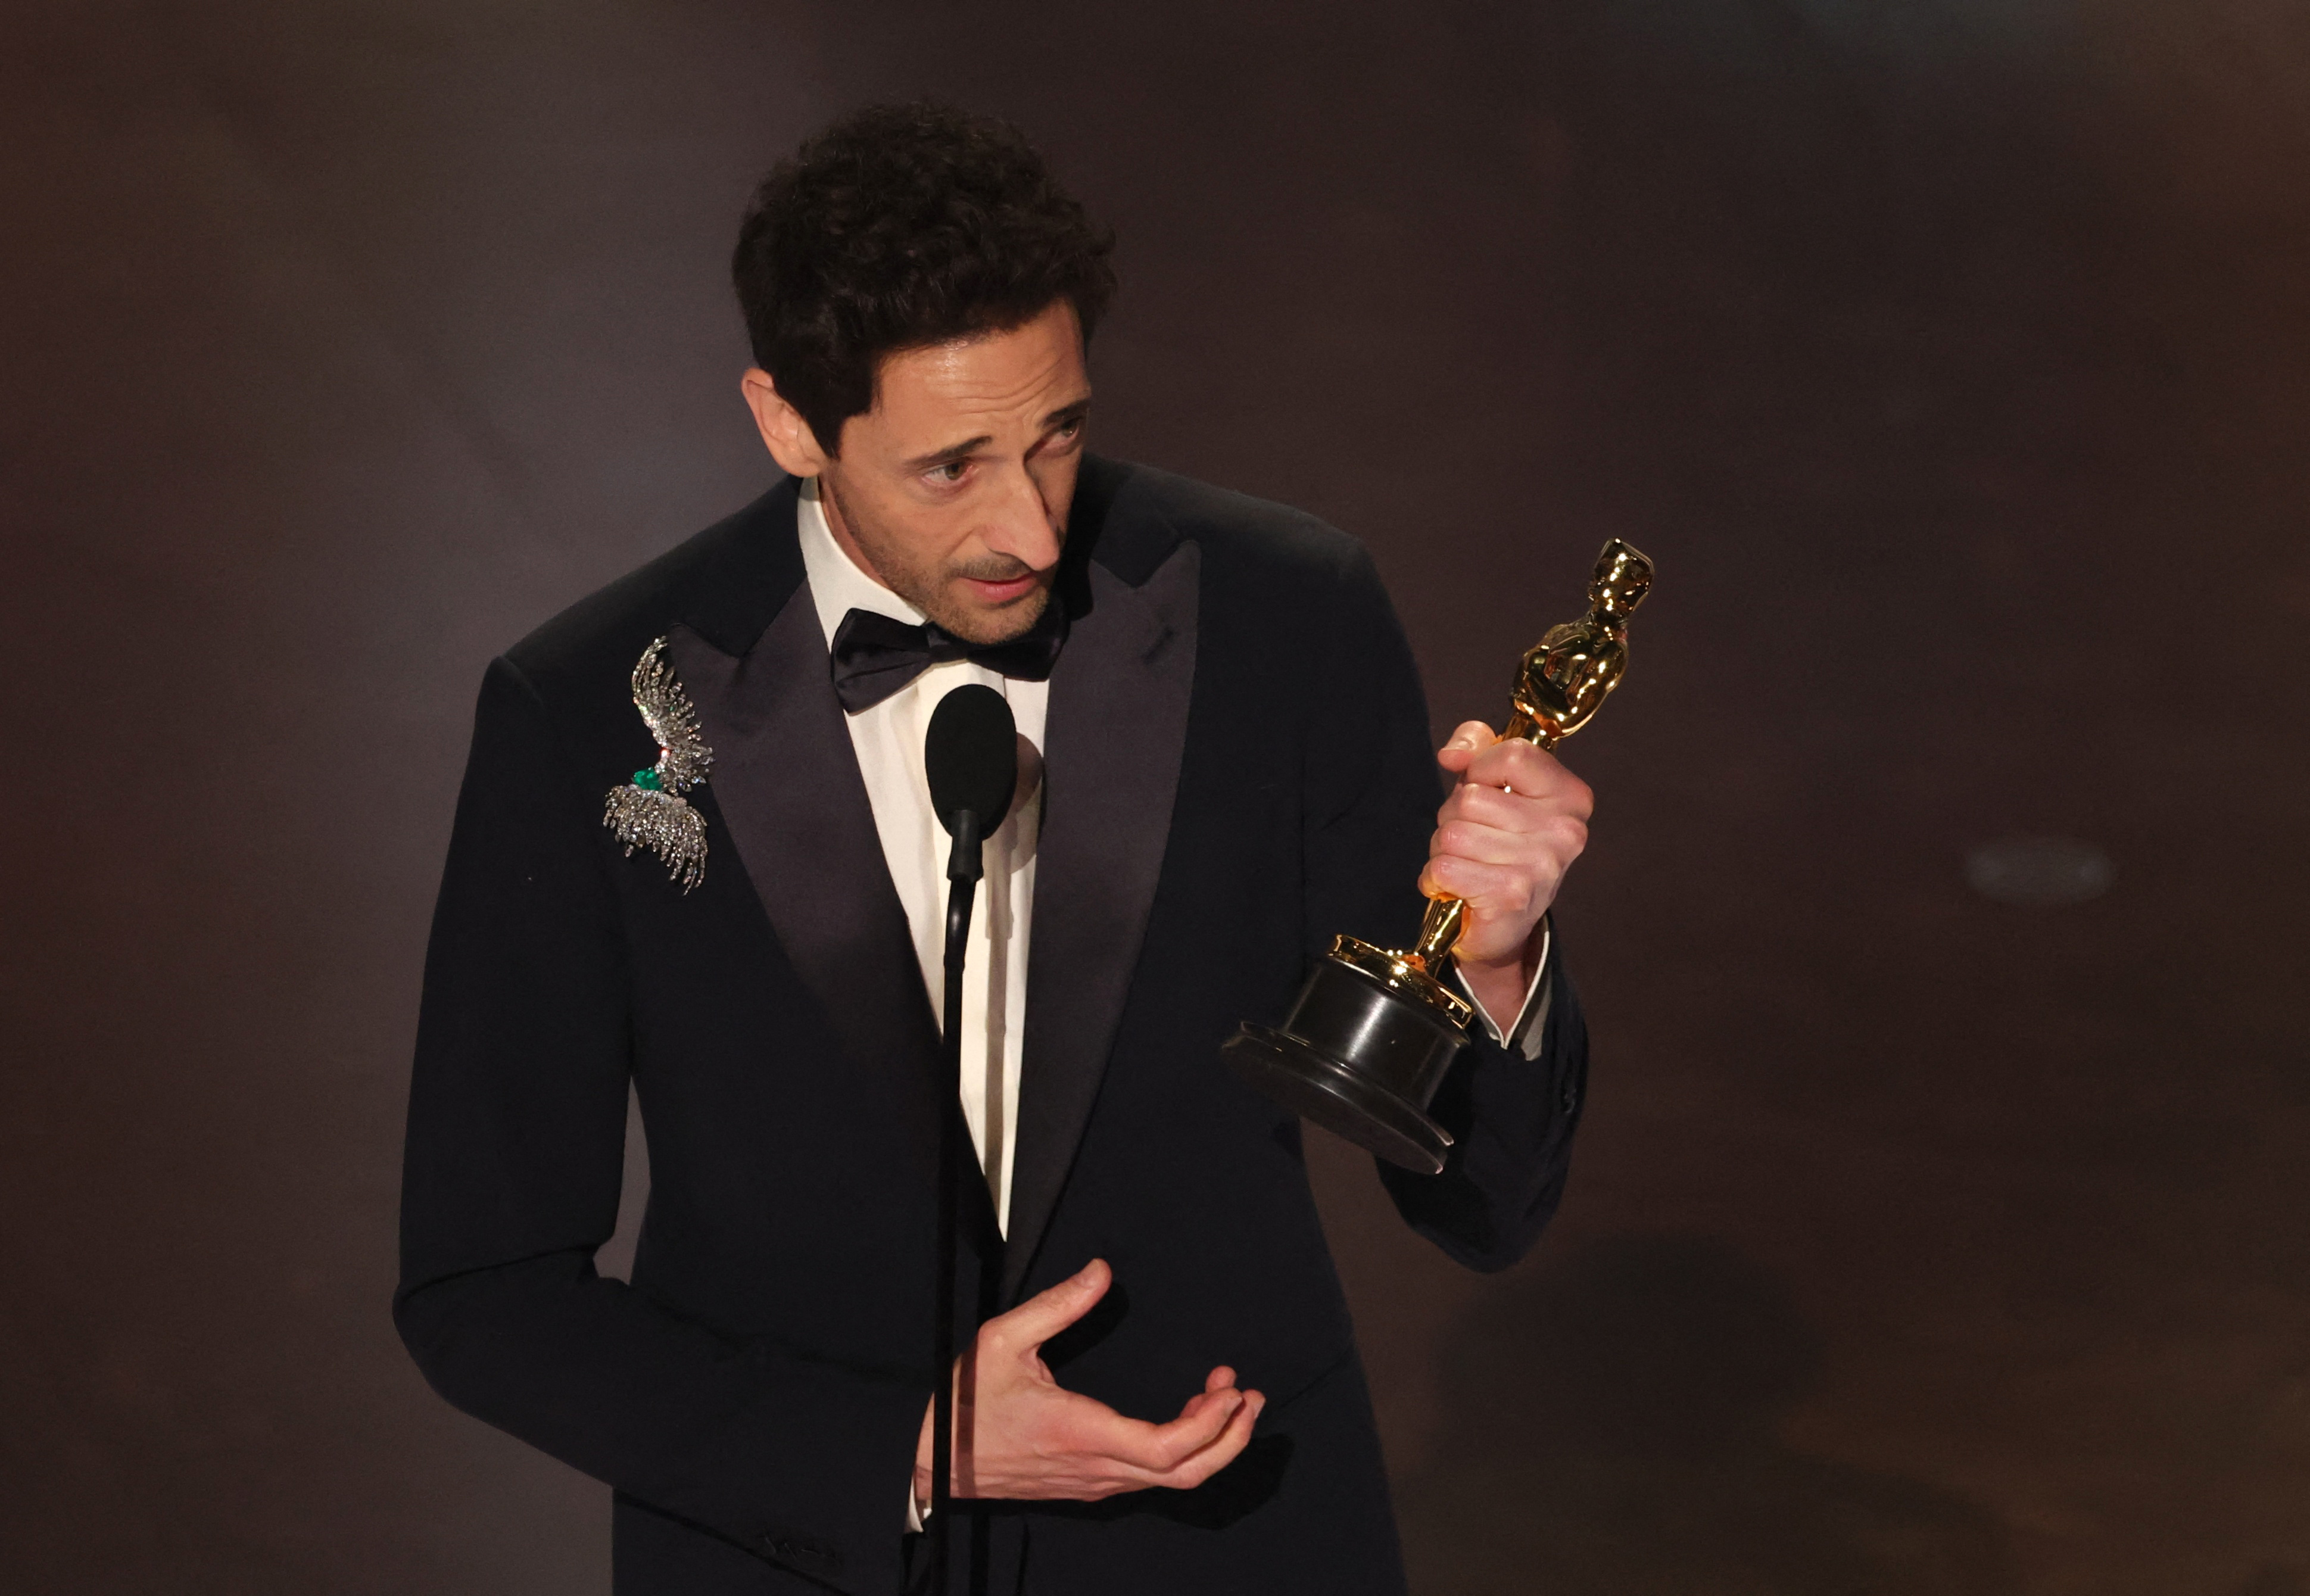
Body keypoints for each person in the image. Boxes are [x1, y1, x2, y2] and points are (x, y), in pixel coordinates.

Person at [395, 101, 1595, 1595]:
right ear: (786, 423)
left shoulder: (1285, 618)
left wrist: (1488, 961)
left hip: (1226, 1550)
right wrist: (903, 1442)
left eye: (1058, 435)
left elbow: (1480, 1198)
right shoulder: (585, 712)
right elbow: (482, 1286)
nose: (1029, 525)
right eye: (949, 467)